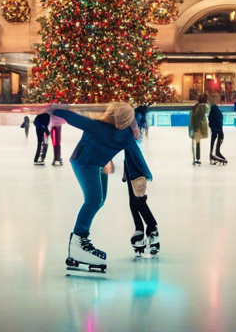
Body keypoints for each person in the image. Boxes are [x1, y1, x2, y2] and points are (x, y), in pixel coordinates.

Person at [49, 102, 151, 273]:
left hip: (98, 163)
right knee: (94, 200)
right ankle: (79, 240)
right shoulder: (122, 134)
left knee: (99, 200)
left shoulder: (99, 126)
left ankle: (80, 241)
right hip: (84, 163)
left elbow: (73, 118)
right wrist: (145, 175)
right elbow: (137, 154)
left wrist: (57, 109)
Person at [125, 117, 159, 256]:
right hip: (126, 155)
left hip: (130, 153)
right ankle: (143, 228)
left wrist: (134, 128)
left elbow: (129, 116)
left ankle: (150, 227)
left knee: (137, 198)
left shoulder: (127, 113)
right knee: (133, 198)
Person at [189, 95, 209, 165]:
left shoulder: (196, 107)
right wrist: (196, 127)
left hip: (196, 128)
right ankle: (196, 158)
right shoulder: (201, 107)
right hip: (197, 128)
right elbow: (198, 118)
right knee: (197, 143)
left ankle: (196, 158)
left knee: (196, 143)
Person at [208, 98, 227, 164]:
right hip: (217, 128)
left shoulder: (214, 109)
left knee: (215, 138)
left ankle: (214, 153)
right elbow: (217, 119)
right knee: (218, 137)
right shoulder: (215, 109)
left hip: (215, 128)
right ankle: (215, 153)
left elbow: (211, 120)